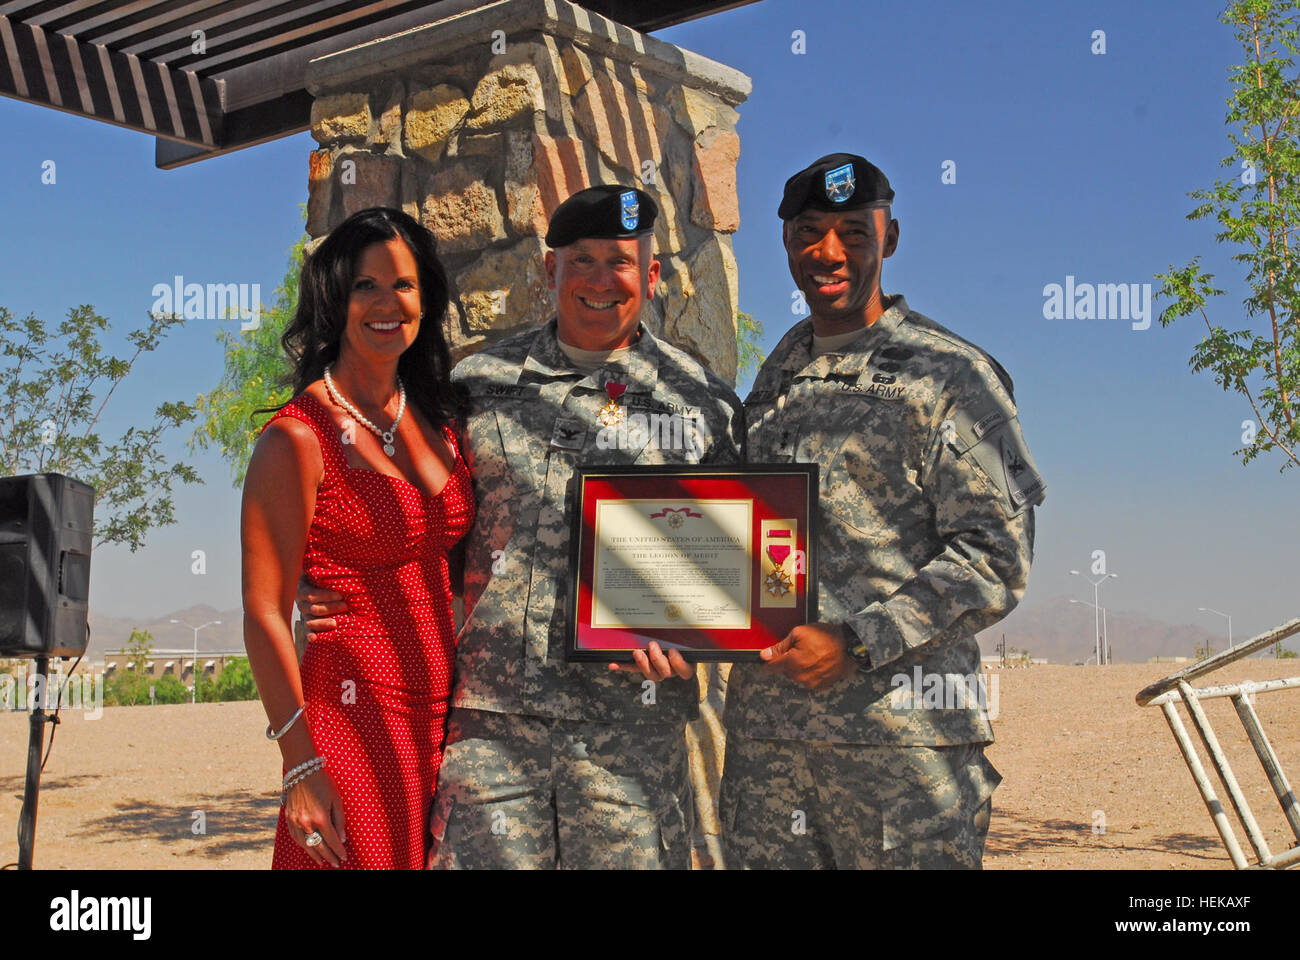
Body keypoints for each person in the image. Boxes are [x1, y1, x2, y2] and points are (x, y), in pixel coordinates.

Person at [299, 185, 744, 868]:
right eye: (583, 260)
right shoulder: (474, 387)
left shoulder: (703, 403)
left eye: (620, 263)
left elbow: (737, 576)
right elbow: (408, 510)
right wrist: (328, 581)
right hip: (491, 732)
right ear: (549, 270)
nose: (601, 280)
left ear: (651, 276)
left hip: (629, 736)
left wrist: (694, 641)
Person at [719, 153, 1046, 869]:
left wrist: (860, 641)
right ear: (786, 243)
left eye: (852, 233)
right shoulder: (773, 380)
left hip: (903, 757)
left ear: (888, 239)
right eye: (809, 232)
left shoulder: (953, 375)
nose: (828, 252)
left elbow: (997, 553)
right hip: (771, 756)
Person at [241, 207, 475, 869]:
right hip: (349, 722)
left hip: (444, 726)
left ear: (425, 300)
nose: (385, 303)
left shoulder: (443, 418)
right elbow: (262, 613)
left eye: (402, 285)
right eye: (363, 287)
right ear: (333, 302)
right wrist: (299, 766)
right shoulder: (297, 438)